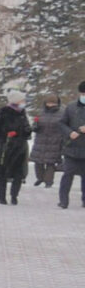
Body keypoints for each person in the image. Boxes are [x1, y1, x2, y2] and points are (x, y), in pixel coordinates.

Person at [0, 90, 31, 205]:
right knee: (3, 172)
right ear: (16, 101)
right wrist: (4, 138)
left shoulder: (22, 112)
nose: (24, 102)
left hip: (21, 147)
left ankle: (14, 195)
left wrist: (28, 130)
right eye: (22, 100)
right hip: (7, 147)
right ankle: (1, 196)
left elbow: (26, 127)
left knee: (18, 173)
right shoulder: (5, 112)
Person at [59, 81, 85, 209]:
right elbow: (61, 123)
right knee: (67, 175)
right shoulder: (71, 107)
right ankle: (63, 200)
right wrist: (70, 133)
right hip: (71, 148)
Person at [31, 95, 65, 188]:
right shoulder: (41, 112)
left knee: (51, 163)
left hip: (54, 141)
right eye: (49, 103)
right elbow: (35, 126)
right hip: (40, 140)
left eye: (53, 103)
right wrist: (35, 125)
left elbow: (64, 126)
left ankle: (48, 181)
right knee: (38, 161)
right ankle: (40, 178)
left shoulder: (62, 113)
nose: (50, 105)